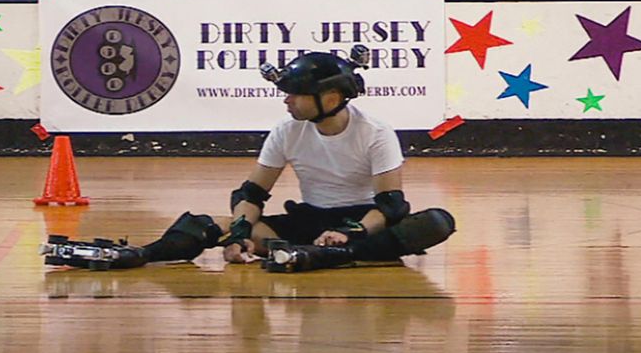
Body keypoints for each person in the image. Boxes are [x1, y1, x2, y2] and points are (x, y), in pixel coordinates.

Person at [41, 46, 456, 273]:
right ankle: (139, 255)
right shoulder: (287, 129)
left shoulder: (375, 132)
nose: (286, 101)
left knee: (437, 221)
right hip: (310, 220)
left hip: (361, 223)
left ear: (330, 97)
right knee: (212, 223)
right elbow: (253, 192)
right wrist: (240, 233)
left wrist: (349, 233)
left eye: (295, 95)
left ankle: (334, 253)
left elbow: (390, 205)